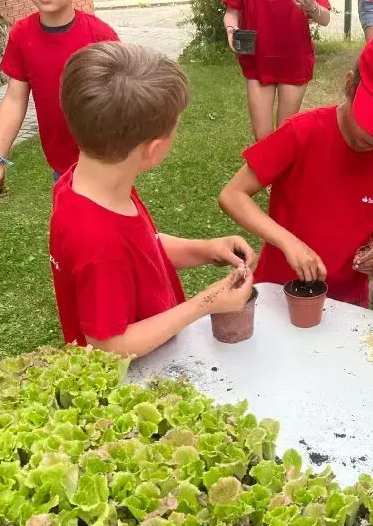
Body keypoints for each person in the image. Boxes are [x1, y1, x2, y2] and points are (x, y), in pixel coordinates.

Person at [49, 42, 256, 359]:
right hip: (136, 384)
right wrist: (205, 303)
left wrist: (204, 249)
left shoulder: (94, 183)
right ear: (153, 149)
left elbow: (142, 248)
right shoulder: (97, 240)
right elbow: (111, 345)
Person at [218, 25, 373, 308]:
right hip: (280, 293)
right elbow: (231, 195)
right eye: (371, 120)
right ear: (349, 86)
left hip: (347, 305)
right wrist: (289, 242)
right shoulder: (302, 133)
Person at [0, 0, 119, 201]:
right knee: (71, 229)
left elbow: (123, 100)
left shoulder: (100, 36)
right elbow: (14, 100)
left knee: (105, 229)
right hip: (61, 164)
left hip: (104, 161)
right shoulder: (22, 35)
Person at [223, 0, 331, 143]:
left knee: (284, 138)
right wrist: (231, 30)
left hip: (294, 59)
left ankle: (286, 166)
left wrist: (312, 7)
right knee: (262, 140)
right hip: (258, 60)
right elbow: (231, 13)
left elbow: (325, 19)